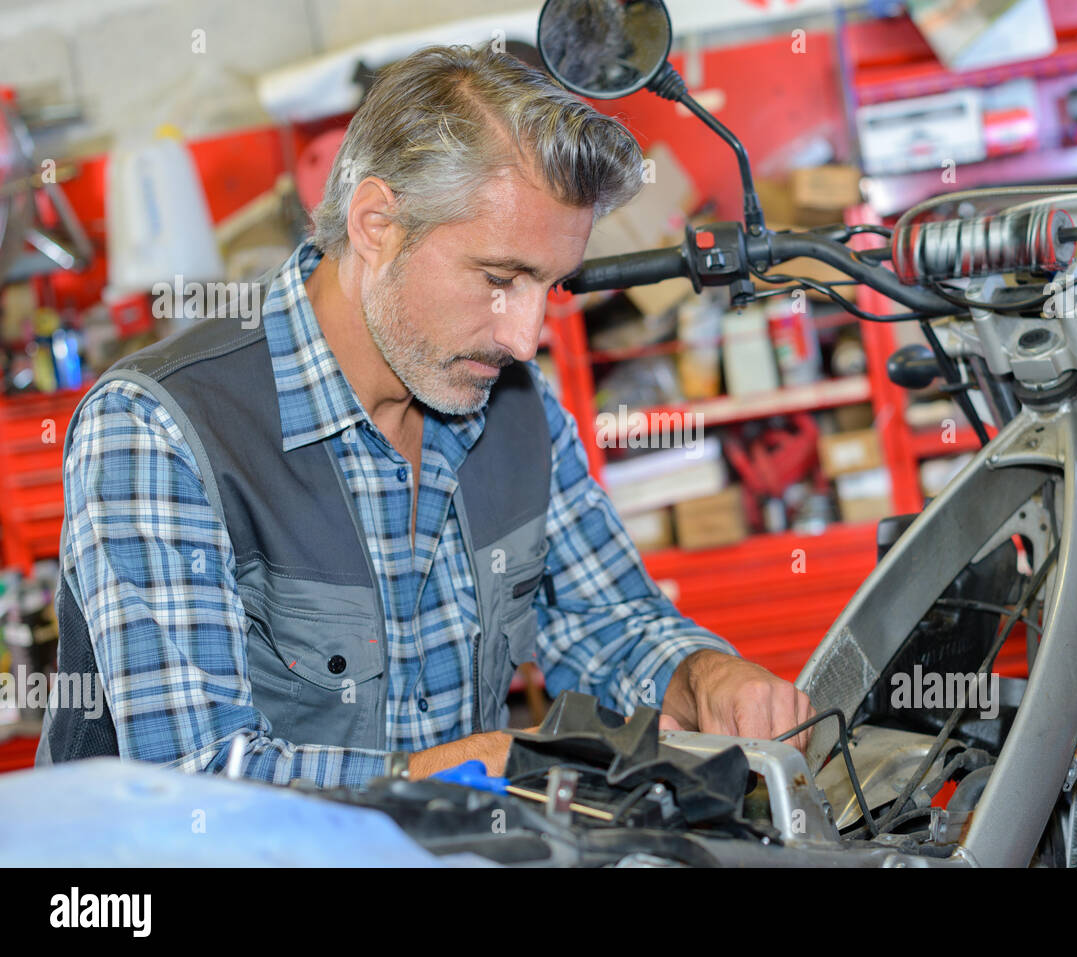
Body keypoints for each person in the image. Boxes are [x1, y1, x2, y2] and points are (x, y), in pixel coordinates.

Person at [37, 45, 813, 786]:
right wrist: (468, 773)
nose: (524, 337)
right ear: (377, 224)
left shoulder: (513, 402)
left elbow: (605, 619)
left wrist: (702, 675)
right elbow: (196, 785)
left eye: (551, 284)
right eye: (499, 276)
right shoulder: (159, 429)